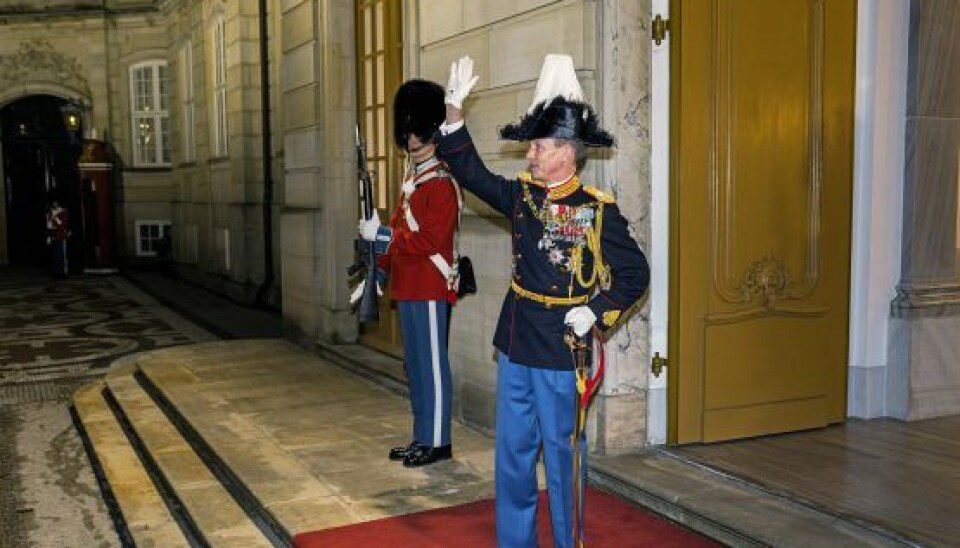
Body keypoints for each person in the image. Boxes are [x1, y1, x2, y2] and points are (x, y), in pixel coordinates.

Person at [436, 55, 650, 547]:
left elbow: (636, 273)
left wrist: (595, 310)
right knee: (512, 454)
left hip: (562, 347)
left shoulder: (597, 211)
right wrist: (453, 114)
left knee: (560, 458)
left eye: (539, 145)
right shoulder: (522, 197)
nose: (530, 154)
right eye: (532, 144)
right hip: (516, 341)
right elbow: (472, 174)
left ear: (567, 153)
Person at [355, 78, 460, 467]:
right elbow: (400, 231)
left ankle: (438, 441)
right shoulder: (412, 181)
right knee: (415, 367)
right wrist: (378, 271)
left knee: (432, 367)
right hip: (409, 287)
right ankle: (421, 437)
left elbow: (429, 241)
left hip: (432, 285)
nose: (412, 140)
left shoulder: (442, 184)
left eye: (419, 132)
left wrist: (381, 234)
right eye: (409, 132)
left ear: (433, 132)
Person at [46, 201, 70, 278]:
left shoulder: (63, 212)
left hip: (61, 236)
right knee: (55, 255)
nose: (54, 204)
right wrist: (49, 236)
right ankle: (56, 272)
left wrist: (55, 217)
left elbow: (62, 224)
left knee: (62, 255)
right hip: (54, 236)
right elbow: (49, 226)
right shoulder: (50, 213)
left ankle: (63, 272)